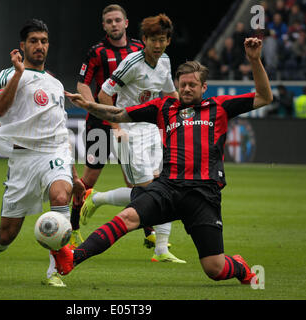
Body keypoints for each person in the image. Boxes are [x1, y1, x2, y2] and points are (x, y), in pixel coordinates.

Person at [55, 37, 273, 285]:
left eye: (193, 85)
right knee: (126, 218)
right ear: (177, 86)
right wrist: (89, 105)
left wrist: (254, 60)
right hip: (167, 188)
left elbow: (265, 97)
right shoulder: (164, 107)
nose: (188, 89)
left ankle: (241, 269)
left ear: (204, 87)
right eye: (183, 85)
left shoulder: (220, 107)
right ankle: (73, 258)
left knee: (215, 269)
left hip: (203, 194)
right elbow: (118, 113)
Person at [0, 19, 85, 288]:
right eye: (34, 41)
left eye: (44, 41)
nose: (40, 46)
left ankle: (55, 271)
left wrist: (74, 174)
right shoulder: (8, 74)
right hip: (23, 159)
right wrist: (18, 73)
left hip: (54, 152)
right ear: (23, 46)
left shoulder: (54, 82)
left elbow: (61, 129)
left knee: (60, 195)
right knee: (7, 234)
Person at [81, 13, 185, 263]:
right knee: (148, 192)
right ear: (145, 40)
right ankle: (98, 199)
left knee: (164, 187)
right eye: (153, 40)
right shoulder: (131, 62)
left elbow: (170, 93)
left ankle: (161, 250)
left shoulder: (166, 61)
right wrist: (116, 128)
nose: (157, 45)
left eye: (162, 40)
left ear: (168, 41)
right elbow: (105, 94)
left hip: (153, 131)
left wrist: (183, 118)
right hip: (129, 134)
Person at [70, 4, 146, 248]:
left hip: (130, 124)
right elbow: (83, 84)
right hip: (99, 125)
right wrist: (94, 107)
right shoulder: (96, 52)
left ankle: (151, 235)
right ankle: (72, 229)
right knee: (88, 180)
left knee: (136, 182)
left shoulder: (139, 50)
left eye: (117, 20)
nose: (114, 24)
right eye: (109, 21)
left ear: (125, 23)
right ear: (104, 26)